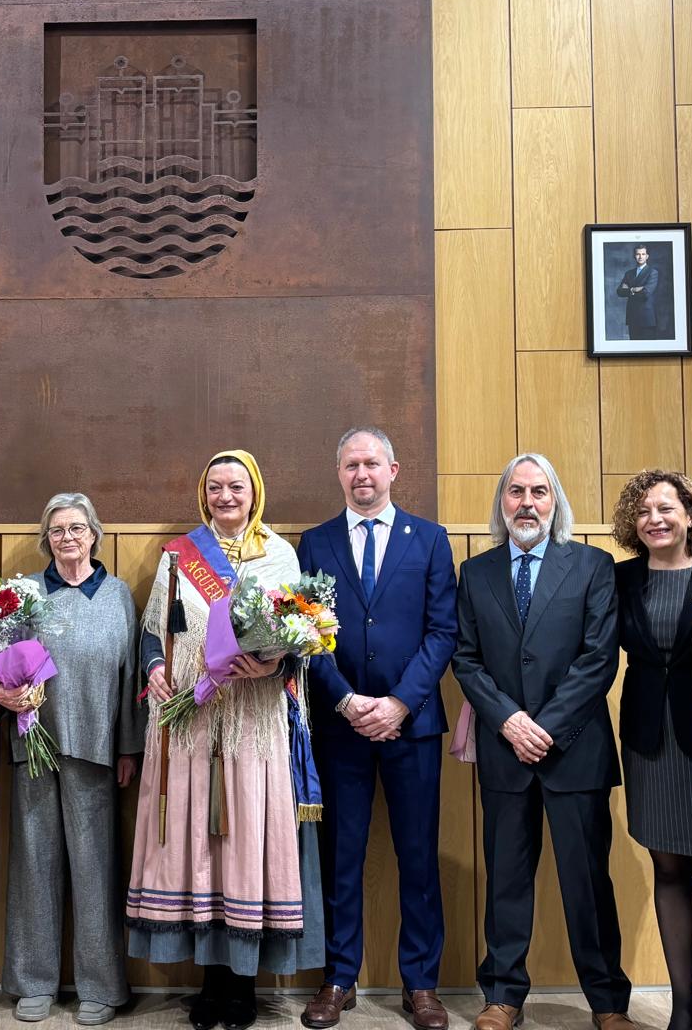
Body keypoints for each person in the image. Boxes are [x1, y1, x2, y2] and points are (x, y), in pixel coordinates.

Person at [128, 450, 324, 1030]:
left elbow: (300, 639)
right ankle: (210, 984)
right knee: (198, 844)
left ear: (255, 490)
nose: (225, 496)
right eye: (215, 487)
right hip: (191, 716)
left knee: (244, 841)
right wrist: (155, 668)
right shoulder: (177, 555)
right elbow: (155, 630)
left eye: (235, 486)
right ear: (203, 493)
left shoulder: (279, 555)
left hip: (253, 719)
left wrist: (273, 664)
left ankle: (242, 987)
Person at [451, 454, 633, 1030]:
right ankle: (502, 997)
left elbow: (599, 658)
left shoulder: (592, 566)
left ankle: (607, 1004)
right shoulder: (475, 574)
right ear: (501, 502)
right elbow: (466, 659)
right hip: (505, 752)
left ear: (555, 502)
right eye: (515, 492)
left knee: (588, 883)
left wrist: (545, 727)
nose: (526, 502)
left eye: (539, 492)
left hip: (574, 752)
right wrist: (508, 721)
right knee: (506, 880)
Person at [297, 428, 457, 1030]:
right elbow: (306, 634)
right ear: (338, 473)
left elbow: (443, 632)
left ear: (394, 468)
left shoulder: (431, 539)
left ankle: (421, 984)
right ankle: (339, 977)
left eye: (371, 463)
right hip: (340, 730)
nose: (361, 474)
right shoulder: (314, 544)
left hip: (411, 728)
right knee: (342, 858)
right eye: (350, 465)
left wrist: (397, 704)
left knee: (418, 857)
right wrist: (344, 703)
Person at [0, 493, 144, 1026]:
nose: (67, 538)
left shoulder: (119, 594)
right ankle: (33, 981)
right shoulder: (25, 594)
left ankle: (101, 987)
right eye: (57, 530)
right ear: (46, 540)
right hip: (34, 743)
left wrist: (129, 745)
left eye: (77, 529)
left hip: (97, 747)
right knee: (34, 864)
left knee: (95, 869)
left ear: (94, 535)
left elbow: (132, 677)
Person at [610, 471, 692, 1030]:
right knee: (667, 868)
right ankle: (684, 1008)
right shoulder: (619, 579)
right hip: (647, 741)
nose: (655, 519)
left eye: (666, 508)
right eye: (642, 511)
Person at [616, 244, 662, 339]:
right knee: (633, 349)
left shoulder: (652, 272)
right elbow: (619, 291)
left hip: (646, 319)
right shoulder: (629, 273)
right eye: (638, 254)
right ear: (634, 256)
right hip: (632, 317)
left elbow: (646, 294)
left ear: (647, 256)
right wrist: (634, 289)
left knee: (647, 350)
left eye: (643, 254)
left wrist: (628, 290)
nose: (640, 257)